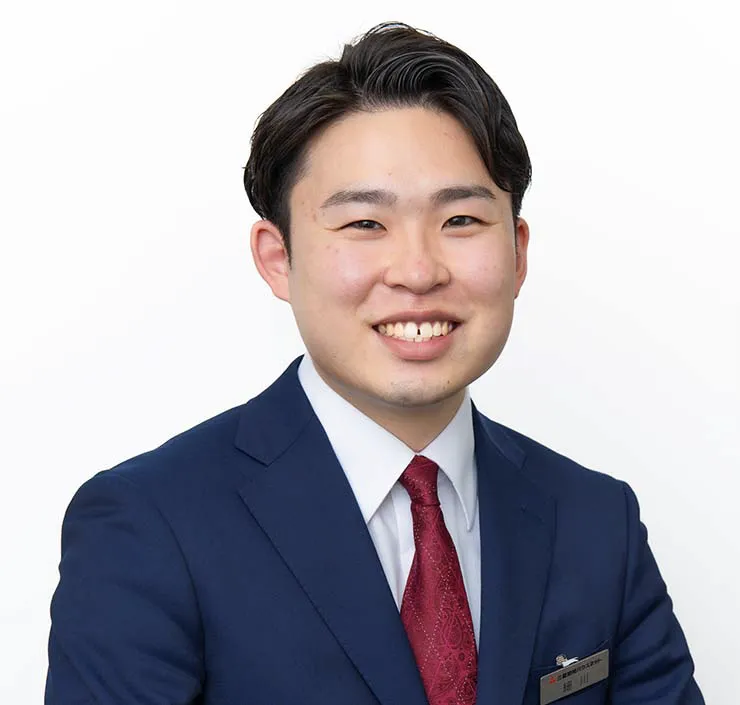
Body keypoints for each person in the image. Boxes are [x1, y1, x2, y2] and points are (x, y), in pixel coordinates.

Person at [45, 22, 704, 705]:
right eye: (365, 224)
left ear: (518, 253)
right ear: (278, 258)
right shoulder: (150, 525)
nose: (418, 270)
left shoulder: (597, 521)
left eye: (461, 221)